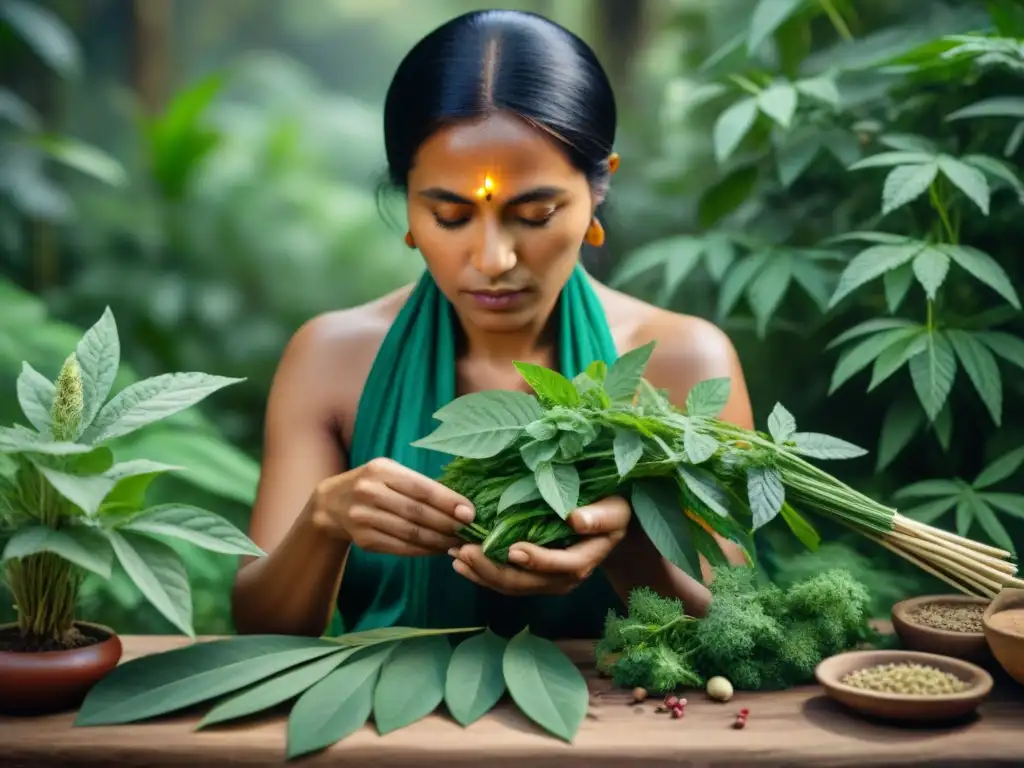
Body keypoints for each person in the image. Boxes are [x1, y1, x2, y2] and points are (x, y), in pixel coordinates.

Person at [231, 9, 753, 640]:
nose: (493, 261)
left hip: (623, 732)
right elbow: (259, 631)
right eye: (450, 216)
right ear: (408, 206)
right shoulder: (331, 359)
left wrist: (625, 550)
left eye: (534, 213)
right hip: (378, 728)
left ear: (598, 191)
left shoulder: (682, 361)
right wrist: (324, 523)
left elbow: (741, 628)